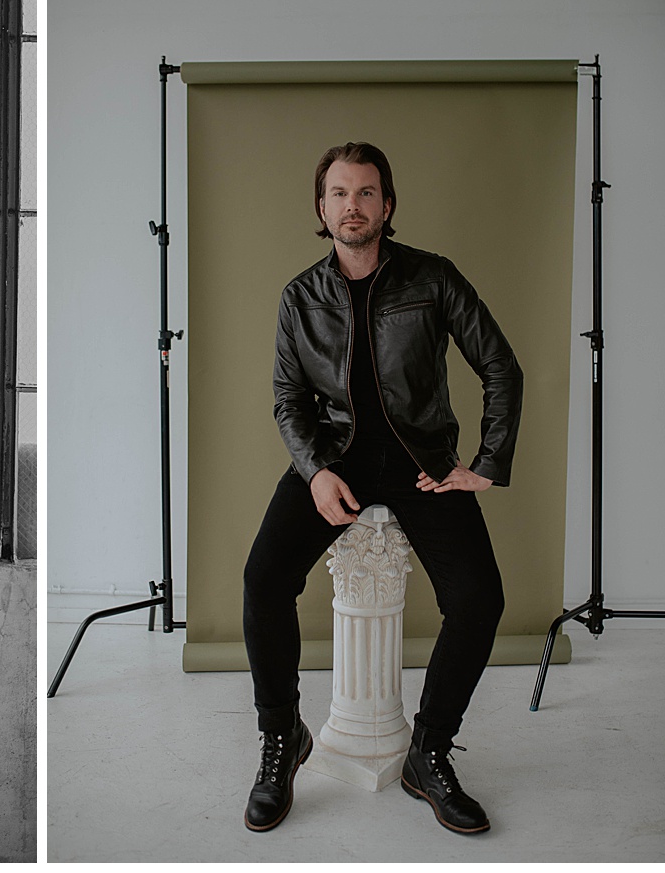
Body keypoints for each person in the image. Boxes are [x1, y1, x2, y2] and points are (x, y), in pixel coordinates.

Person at [241, 143, 522, 835]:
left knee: (479, 599)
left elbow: (500, 365)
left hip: (421, 459)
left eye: (366, 192)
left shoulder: (432, 278)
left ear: (387, 206)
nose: (352, 205)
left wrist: (484, 462)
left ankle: (428, 751)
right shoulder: (300, 296)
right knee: (263, 578)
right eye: (338, 193)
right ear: (321, 206)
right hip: (335, 458)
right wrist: (315, 469)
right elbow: (287, 398)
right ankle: (283, 739)